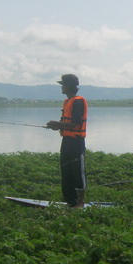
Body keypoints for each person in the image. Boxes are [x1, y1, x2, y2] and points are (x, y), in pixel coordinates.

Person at [45, 74, 87, 208]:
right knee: (66, 170)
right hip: (66, 141)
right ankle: (70, 201)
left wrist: (56, 123)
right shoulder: (67, 102)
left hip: (76, 142)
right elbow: (66, 124)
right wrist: (56, 126)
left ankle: (80, 202)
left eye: (63, 85)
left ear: (68, 86)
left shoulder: (78, 101)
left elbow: (76, 123)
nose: (62, 87)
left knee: (77, 171)